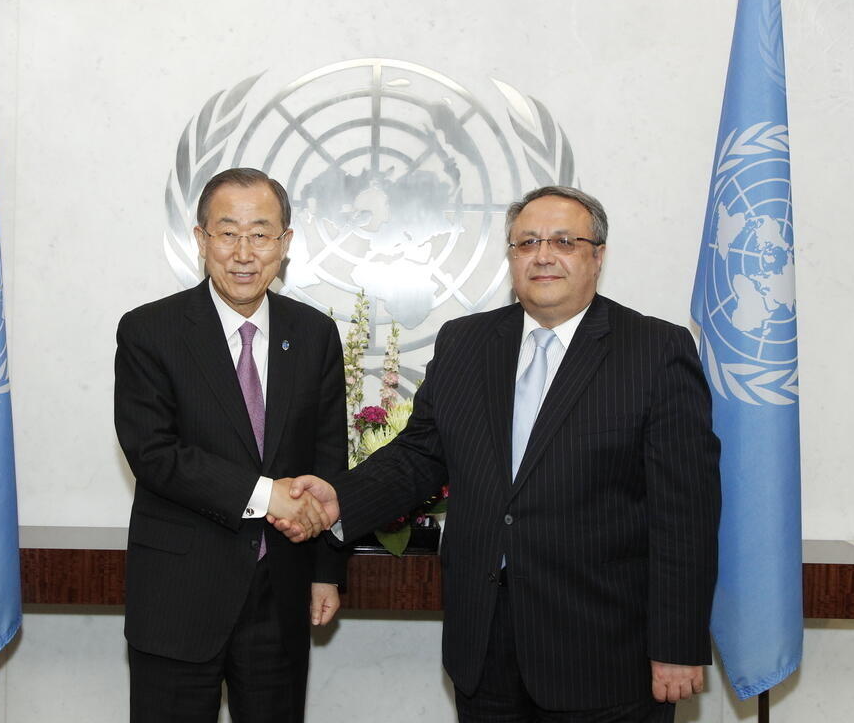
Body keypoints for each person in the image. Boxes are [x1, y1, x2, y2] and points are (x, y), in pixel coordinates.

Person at [279, 186, 721, 722]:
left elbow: (685, 515)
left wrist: (677, 644)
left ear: (598, 255)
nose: (543, 255)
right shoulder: (465, 342)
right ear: (511, 256)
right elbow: (420, 456)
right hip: (485, 645)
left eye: (564, 241)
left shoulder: (655, 350)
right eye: (527, 242)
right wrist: (339, 500)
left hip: (605, 651)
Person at [114, 167, 347, 723]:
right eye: (227, 233)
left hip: (281, 595)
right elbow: (154, 454)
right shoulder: (150, 331)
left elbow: (328, 459)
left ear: (285, 244)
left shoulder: (314, 334)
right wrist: (267, 495)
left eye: (261, 234)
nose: (244, 253)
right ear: (201, 239)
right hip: (179, 595)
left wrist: (326, 570)